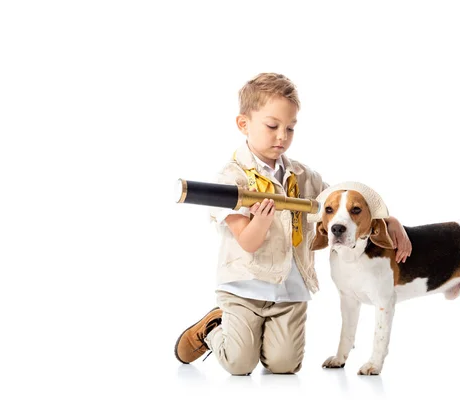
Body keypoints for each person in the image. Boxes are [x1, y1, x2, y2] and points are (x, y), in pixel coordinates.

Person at [174, 72, 412, 375]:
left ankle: (254, 337)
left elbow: (344, 205)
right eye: (272, 126)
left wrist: (389, 220)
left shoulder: (305, 177)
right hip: (244, 288)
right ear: (243, 124)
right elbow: (247, 242)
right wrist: (260, 221)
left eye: (290, 128)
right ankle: (215, 327)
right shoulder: (230, 179)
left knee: (284, 365)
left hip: (289, 291)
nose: (282, 136)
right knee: (239, 364)